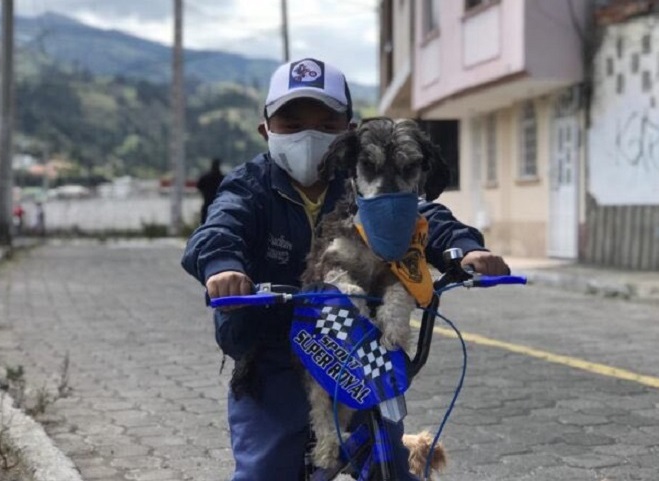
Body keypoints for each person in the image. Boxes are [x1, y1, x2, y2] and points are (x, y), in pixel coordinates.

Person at [181, 57, 509, 481]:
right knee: (266, 469)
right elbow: (218, 228)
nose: (309, 133)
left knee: (387, 462)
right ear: (266, 130)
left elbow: (421, 215)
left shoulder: (362, 181)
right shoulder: (250, 186)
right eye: (292, 123)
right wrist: (223, 268)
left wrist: (464, 250)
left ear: (349, 132)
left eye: (326, 122)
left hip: (356, 350)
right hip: (271, 353)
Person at [197, 157, 225, 224]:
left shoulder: (205, 177)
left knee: (204, 223)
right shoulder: (222, 178)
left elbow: (199, 186)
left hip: (207, 202)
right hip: (218, 204)